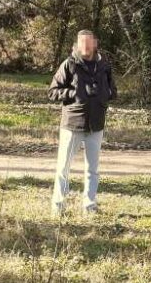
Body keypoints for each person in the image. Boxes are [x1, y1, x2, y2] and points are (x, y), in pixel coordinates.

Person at [47, 30, 117, 217]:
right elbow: (53, 91)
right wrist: (74, 93)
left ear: (95, 43)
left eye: (88, 42)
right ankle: (58, 207)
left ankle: (89, 206)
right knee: (63, 168)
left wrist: (104, 94)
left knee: (92, 169)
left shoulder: (104, 66)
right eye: (82, 42)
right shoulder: (69, 64)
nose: (85, 46)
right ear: (77, 45)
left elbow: (113, 91)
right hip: (72, 124)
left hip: (96, 124)